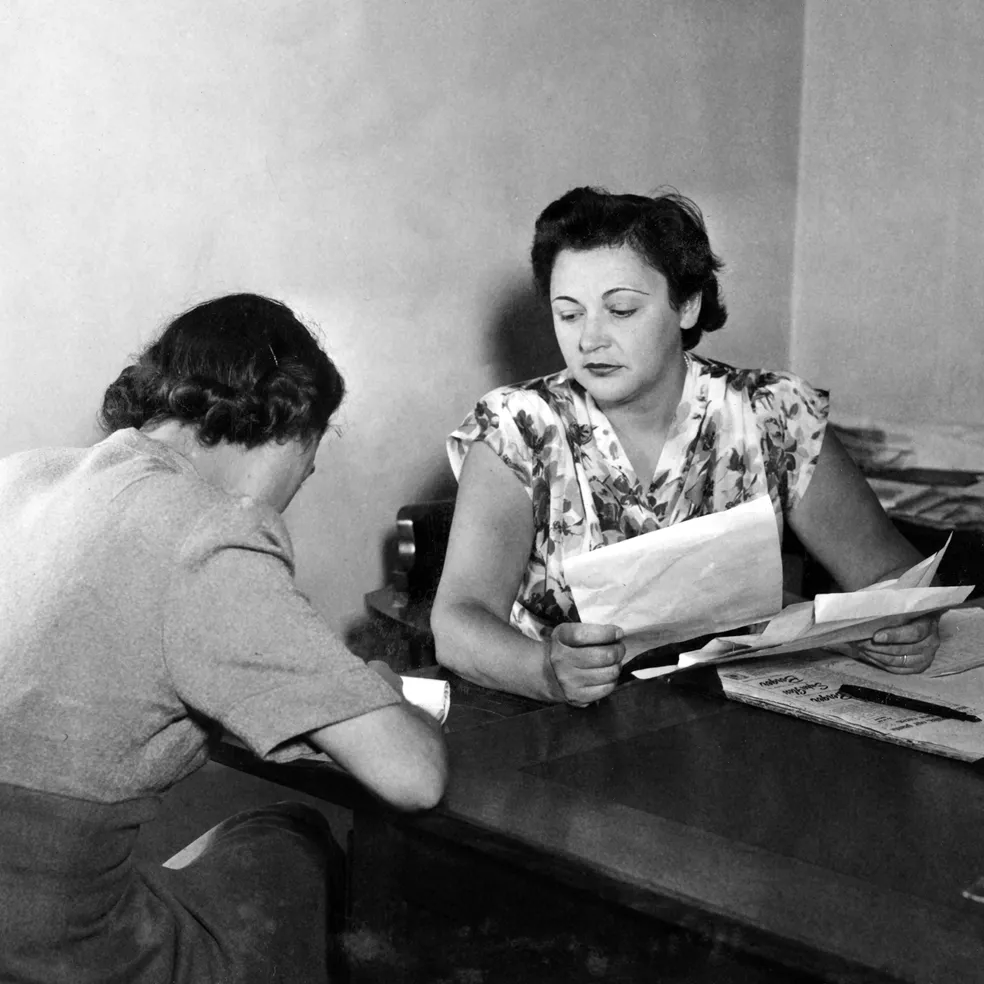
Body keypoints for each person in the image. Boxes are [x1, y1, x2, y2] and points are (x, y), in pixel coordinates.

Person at [0, 293, 448, 984]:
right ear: (289, 430)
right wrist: (378, 697)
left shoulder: (20, 478)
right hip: (58, 957)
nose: (297, 489)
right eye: (308, 465)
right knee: (290, 840)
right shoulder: (210, 532)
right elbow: (413, 778)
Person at [431, 187, 940, 706]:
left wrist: (907, 622)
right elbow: (457, 621)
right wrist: (545, 670)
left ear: (688, 305)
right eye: (569, 314)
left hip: (733, 714)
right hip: (556, 726)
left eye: (622, 310)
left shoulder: (773, 413)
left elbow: (888, 576)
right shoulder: (516, 427)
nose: (590, 339)